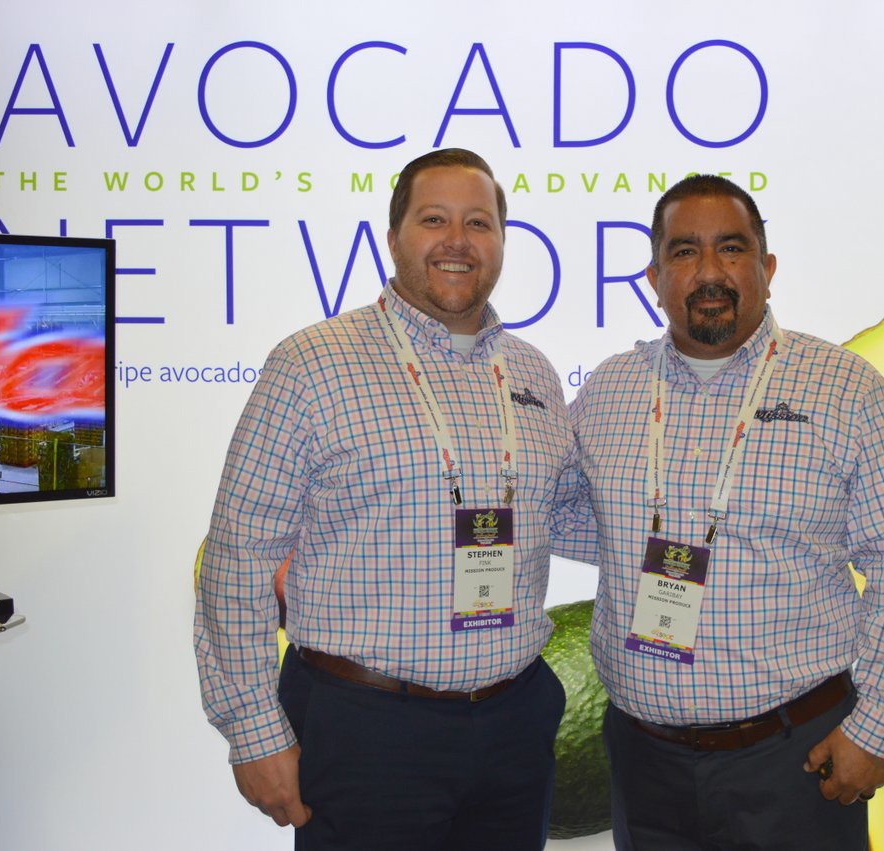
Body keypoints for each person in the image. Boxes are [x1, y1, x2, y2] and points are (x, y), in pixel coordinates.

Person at [194, 148, 593, 850]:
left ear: (502, 240)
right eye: (434, 219)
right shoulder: (312, 364)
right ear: (393, 236)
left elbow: (560, 514)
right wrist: (253, 731)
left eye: (479, 222)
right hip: (366, 729)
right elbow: (238, 555)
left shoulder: (532, 372)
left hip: (514, 723)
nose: (457, 240)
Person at [566, 174, 884, 850]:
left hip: (793, 760)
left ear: (767, 269)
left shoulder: (842, 388)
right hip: (643, 763)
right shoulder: (608, 390)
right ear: (654, 278)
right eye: (684, 252)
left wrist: (876, 728)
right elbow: (566, 510)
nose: (708, 272)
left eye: (731, 248)